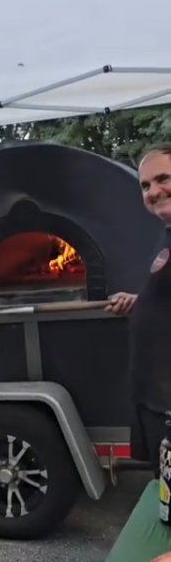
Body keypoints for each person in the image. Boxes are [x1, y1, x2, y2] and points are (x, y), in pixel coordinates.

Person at [106, 144, 171, 471]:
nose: (153, 191)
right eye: (145, 185)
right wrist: (142, 300)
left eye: (163, 179)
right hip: (156, 395)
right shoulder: (167, 235)